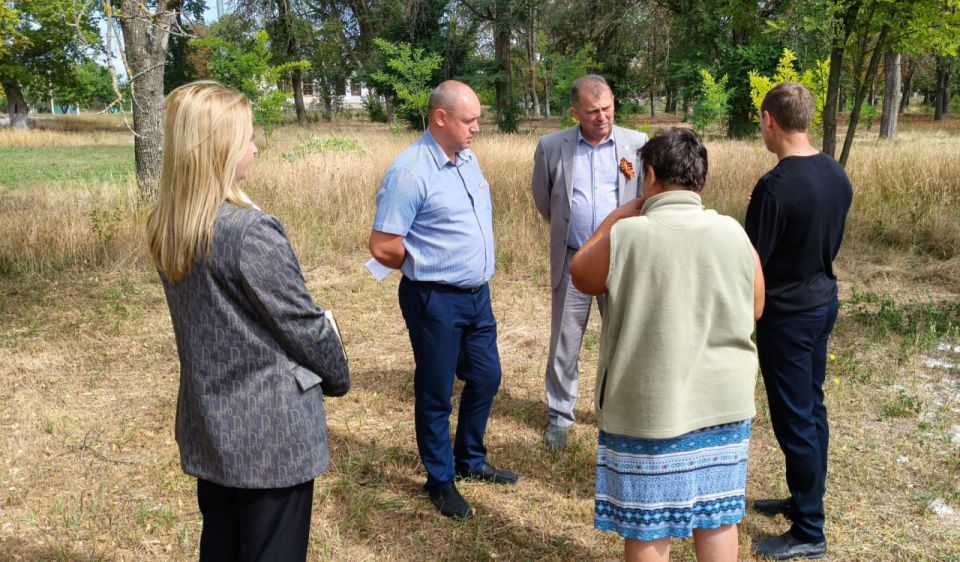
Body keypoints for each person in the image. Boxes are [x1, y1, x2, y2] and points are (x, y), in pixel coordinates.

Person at [146, 81, 350, 561]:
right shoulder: (249, 231)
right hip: (270, 438)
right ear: (218, 149)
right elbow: (303, 325)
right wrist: (338, 375)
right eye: (247, 138)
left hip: (209, 424)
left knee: (221, 544)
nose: (255, 148)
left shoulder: (170, 224)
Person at [570, 127, 765, 562]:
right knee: (717, 516)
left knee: (648, 523)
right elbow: (755, 306)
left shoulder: (630, 235)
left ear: (650, 175)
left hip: (649, 409)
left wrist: (618, 215)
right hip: (723, 404)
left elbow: (581, 273)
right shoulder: (733, 232)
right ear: (701, 180)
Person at [368, 80, 517, 520]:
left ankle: (470, 460)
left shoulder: (467, 160)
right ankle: (441, 479)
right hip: (434, 299)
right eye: (469, 120)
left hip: (477, 296)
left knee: (487, 377)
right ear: (441, 118)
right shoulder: (410, 171)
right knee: (435, 393)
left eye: (477, 119)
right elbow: (382, 245)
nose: (477, 127)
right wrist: (425, 264)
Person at [747, 82, 853, 560]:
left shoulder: (775, 187)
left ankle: (810, 529)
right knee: (812, 407)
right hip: (821, 301)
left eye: (761, 121)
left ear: (770, 119)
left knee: (795, 419)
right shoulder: (835, 172)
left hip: (787, 314)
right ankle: (803, 500)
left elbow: (751, 262)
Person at [531, 74, 648, 450]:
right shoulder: (552, 147)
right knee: (565, 341)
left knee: (623, 338)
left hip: (622, 258)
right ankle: (560, 417)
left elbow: (644, 195)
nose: (601, 117)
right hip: (573, 258)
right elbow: (544, 199)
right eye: (592, 111)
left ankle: (615, 413)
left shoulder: (637, 144)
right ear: (575, 113)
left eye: (607, 109)